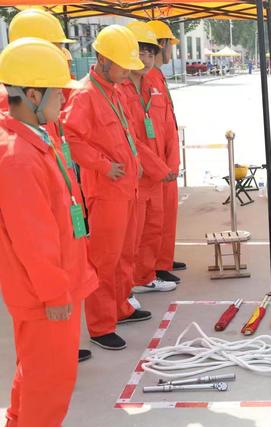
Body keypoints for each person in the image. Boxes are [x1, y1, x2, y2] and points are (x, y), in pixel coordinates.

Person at [0, 37, 99, 427]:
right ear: (32, 94)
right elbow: (32, 238)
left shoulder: (35, 140)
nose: (64, 100)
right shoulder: (18, 157)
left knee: (33, 376)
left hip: (50, 287)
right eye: (58, 93)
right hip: (46, 296)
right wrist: (56, 293)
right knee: (50, 386)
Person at [62, 25, 152, 351]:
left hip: (126, 188)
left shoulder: (112, 89)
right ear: (102, 59)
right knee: (104, 260)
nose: (128, 71)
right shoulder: (86, 95)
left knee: (125, 255)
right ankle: (101, 326)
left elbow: (124, 134)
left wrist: (134, 164)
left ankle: (121, 308)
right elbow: (71, 138)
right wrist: (103, 165)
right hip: (107, 190)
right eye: (122, 64)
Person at [121, 21, 178, 294]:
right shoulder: (121, 91)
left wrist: (170, 163)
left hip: (155, 170)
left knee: (154, 226)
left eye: (149, 52)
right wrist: (158, 167)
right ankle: (139, 277)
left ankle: (148, 272)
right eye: (140, 52)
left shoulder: (148, 83)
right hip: (138, 174)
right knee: (133, 236)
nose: (146, 58)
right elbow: (130, 139)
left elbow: (166, 125)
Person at [147, 20, 186, 284]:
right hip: (158, 164)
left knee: (167, 216)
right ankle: (155, 266)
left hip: (166, 162)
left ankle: (163, 259)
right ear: (161, 45)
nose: (172, 50)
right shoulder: (148, 78)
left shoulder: (158, 76)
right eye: (170, 45)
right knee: (156, 221)